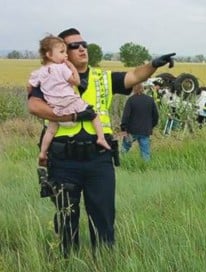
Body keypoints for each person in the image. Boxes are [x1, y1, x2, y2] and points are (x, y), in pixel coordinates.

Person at [27, 27, 175, 257]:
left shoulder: (102, 78)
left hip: (99, 159)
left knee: (104, 218)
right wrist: (72, 116)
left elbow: (135, 76)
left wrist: (154, 64)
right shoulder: (49, 75)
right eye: (74, 46)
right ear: (62, 52)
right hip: (64, 160)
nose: (82, 48)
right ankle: (67, 261)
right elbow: (34, 106)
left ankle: (103, 262)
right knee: (66, 218)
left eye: (83, 44)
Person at [28, 35, 111, 168]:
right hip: (70, 102)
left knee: (50, 130)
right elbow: (76, 81)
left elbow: (30, 86)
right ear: (49, 54)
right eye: (62, 52)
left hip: (55, 107)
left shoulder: (39, 72)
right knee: (93, 114)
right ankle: (101, 138)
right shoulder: (62, 68)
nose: (65, 56)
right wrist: (72, 67)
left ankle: (43, 153)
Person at [120, 83, 159, 161]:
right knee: (145, 152)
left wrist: (123, 128)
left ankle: (119, 163)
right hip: (145, 130)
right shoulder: (150, 100)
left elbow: (126, 116)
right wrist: (151, 126)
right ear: (143, 89)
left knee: (124, 148)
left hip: (131, 130)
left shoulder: (131, 100)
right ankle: (145, 168)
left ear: (134, 90)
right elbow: (156, 116)